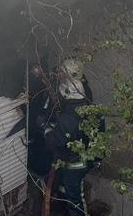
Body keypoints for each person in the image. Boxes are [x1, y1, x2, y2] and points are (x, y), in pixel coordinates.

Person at [38, 58, 104, 216]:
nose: (59, 74)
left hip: (75, 162)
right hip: (83, 156)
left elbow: (55, 141)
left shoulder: (68, 119)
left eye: (62, 71)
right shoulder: (92, 108)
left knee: (75, 198)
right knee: (65, 189)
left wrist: (45, 128)